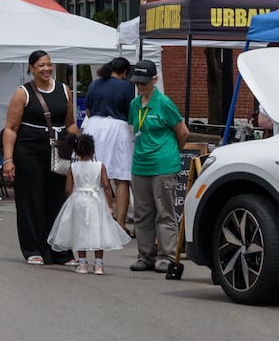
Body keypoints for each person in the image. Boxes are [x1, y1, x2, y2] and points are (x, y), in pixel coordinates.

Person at [1, 50, 81, 266]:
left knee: (58, 200)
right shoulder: (23, 93)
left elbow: (70, 123)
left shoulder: (64, 90)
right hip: (29, 151)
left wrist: (80, 146)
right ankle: (34, 249)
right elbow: (10, 128)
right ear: (31, 69)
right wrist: (8, 160)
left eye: (49, 64)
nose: (46, 69)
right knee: (31, 200)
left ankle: (60, 250)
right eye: (41, 66)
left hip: (59, 151)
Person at [127, 60, 189, 273]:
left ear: (154, 80)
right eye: (137, 82)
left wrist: (172, 152)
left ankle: (166, 256)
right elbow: (133, 130)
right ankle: (145, 255)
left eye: (144, 82)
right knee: (142, 213)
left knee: (164, 212)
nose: (140, 87)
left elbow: (183, 131)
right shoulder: (135, 104)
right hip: (140, 164)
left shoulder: (164, 103)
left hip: (163, 165)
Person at [48, 134, 127, 274]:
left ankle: (83, 263)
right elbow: (106, 186)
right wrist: (109, 205)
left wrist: (74, 196)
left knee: (80, 230)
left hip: (78, 199)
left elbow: (68, 188)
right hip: (96, 199)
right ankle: (98, 264)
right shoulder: (99, 166)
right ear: (93, 150)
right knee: (98, 230)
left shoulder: (73, 167)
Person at [82, 57, 137, 234]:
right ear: (125, 72)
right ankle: (120, 224)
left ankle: (91, 220)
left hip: (94, 126)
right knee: (121, 177)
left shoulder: (95, 84)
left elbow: (88, 111)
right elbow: (131, 113)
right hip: (117, 127)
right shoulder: (127, 87)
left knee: (92, 175)